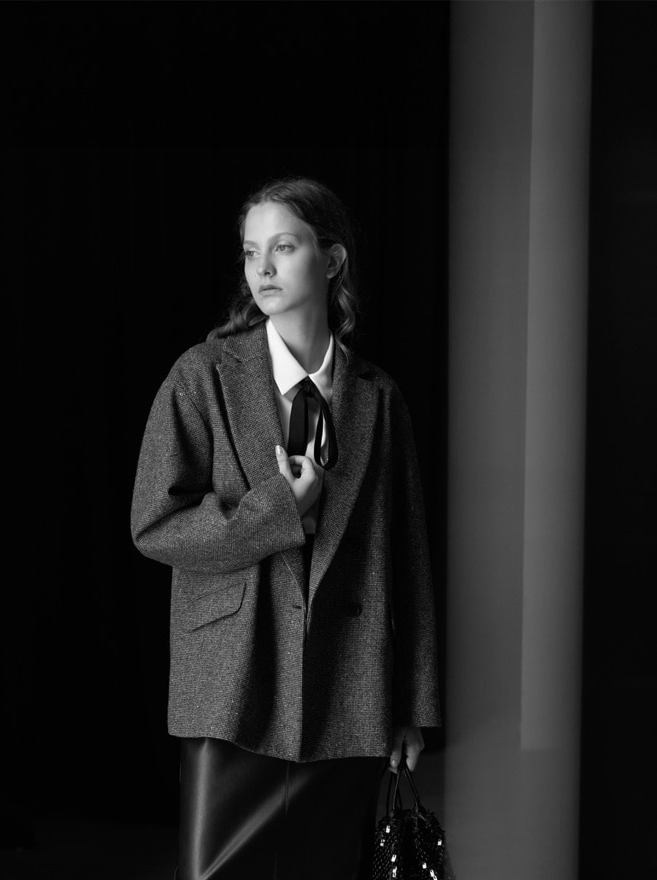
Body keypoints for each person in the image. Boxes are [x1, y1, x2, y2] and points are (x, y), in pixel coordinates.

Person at [130, 177, 441, 880]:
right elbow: (154, 524)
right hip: (233, 689)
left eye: (283, 247)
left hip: (349, 693)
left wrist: (409, 707)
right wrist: (278, 510)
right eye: (250, 252)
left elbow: (410, 561)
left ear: (332, 260)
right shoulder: (203, 375)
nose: (262, 268)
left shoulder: (378, 398)